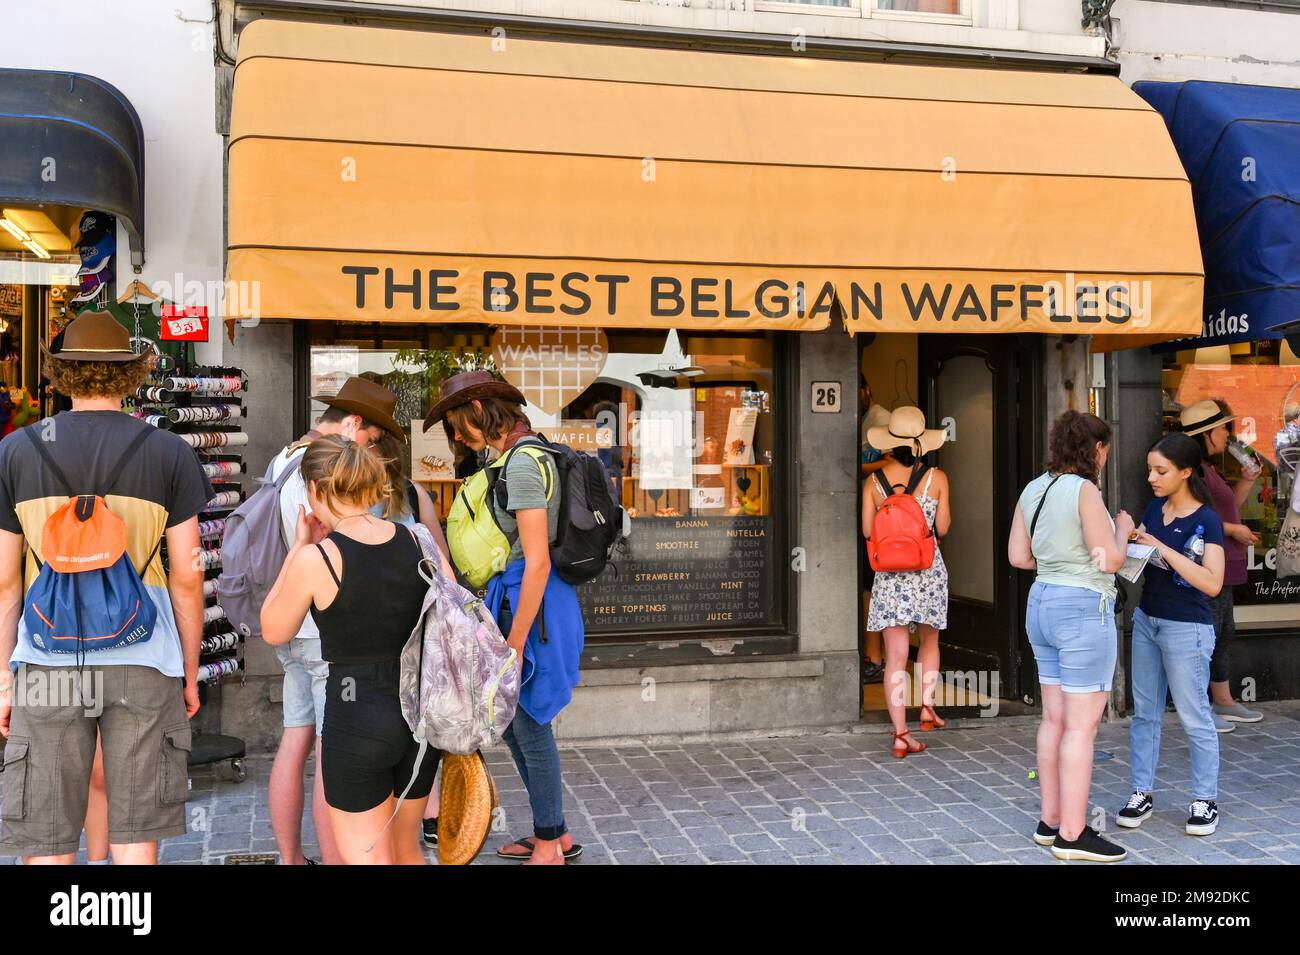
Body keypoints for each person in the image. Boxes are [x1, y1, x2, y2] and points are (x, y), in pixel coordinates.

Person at [0, 310, 208, 864]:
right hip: (144, 656)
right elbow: (188, 574)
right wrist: (188, 671)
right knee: (136, 823)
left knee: (45, 829)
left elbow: (3, 582)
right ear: (131, 375)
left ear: (62, 374)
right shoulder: (168, 451)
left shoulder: (18, 450)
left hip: (46, 656)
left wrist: (3, 677)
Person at [426, 370, 585, 866]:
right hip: (524, 603)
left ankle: (548, 848)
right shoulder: (528, 454)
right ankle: (553, 834)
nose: (455, 436)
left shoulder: (521, 466)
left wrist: (512, 647)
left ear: (478, 412)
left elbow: (536, 559)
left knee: (530, 723)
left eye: (456, 424)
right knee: (517, 723)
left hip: (529, 609)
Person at [260, 436, 435, 864]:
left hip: (355, 711)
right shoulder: (417, 540)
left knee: (368, 857)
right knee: (407, 849)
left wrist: (300, 547)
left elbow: (272, 628)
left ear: (316, 490)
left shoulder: (318, 558)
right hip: (419, 712)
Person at [1008, 411, 1133, 862]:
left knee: (1054, 720)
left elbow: (1018, 556)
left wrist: (1057, 561)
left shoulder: (1034, 488)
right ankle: (1074, 835)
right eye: (1106, 450)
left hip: (1040, 603)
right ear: (1096, 449)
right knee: (1082, 727)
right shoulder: (1085, 491)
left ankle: (1050, 822)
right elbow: (1110, 561)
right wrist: (1122, 528)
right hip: (1082, 609)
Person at [1117, 432, 1226, 838]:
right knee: (1144, 713)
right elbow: (1138, 562)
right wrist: (1128, 541)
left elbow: (1212, 583)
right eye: (1150, 469)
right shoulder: (1154, 508)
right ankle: (1141, 792)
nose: (1151, 477)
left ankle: (1205, 799)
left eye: (1160, 471)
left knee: (1194, 714)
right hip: (1148, 619)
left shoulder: (1207, 520)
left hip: (1188, 627)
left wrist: (1160, 548)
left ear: (1185, 472)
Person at [367, 427, 454, 848]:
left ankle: (408, 813)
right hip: (413, 626)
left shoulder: (403, 495)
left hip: (397, 631)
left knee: (407, 720)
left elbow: (441, 561)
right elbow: (442, 560)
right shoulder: (414, 495)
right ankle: (423, 813)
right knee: (418, 721)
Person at [861, 405, 950, 758]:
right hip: (927, 571)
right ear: (921, 444)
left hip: (889, 577)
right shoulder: (936, 478)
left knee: (895, 657)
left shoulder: (874, 482)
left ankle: (900, 733)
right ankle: (927, 707)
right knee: (929, 641)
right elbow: (942, 528)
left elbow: (868, 531)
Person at [1181, 399, 1264, 728]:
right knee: (1208, 633)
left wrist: (1246, 480)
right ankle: (1201, 706)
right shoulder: (1194, 471)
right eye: (1222, 428)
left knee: (1224, 631)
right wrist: (1235, 530)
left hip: (1224, 560)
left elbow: (1226, 509)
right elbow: (1193, 518)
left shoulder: (1209, 468)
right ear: (1206, 433)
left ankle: (1223, 700)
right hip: (1208, 562)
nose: (1227, 434)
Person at [859, 377, 892, 684]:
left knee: (872, 590)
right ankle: (879, 658)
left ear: (866, 391)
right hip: (877, 522)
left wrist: (858, 466)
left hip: (883, 525)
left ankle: (877, 659)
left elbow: (887, 461)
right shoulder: (934, 479)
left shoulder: (880, 419)